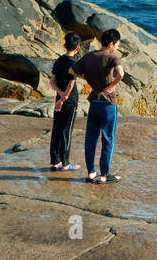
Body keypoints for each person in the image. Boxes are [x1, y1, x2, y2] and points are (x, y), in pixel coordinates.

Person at [71, 28, 125, 184]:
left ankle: (91, 173)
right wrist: (112, 85)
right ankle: (104, 175)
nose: (117, 47)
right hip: (108, 103)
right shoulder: (111, 56)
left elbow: (71, 70)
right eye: (117, 44)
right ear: (111, 43)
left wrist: (87, 77)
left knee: (91, 138)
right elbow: (121, 74)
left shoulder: (89, 56)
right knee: (108, 138)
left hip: (94, 101)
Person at [49, 32, 82, 171]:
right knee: (66, 131)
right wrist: (65, 98)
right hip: (69, 100)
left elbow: (52, 81)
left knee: (57, 128)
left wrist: (60, 95)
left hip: (59, 97)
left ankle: (55, 161)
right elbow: (71, 84)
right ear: (78, 48)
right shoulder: (74, 63)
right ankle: (65, 163)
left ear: (64, 45)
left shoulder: (59, 60)